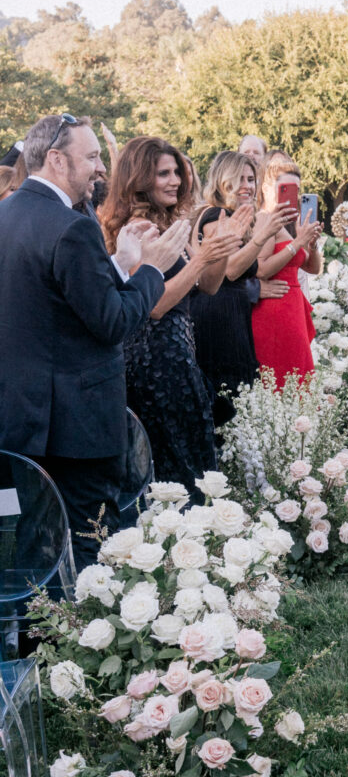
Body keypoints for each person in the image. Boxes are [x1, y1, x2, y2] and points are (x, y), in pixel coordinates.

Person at [0, 115, 188, 567]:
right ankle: (85, 635)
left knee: (31, 544)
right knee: (91, 544)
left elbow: (58, 304)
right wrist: (151, 271)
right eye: (93, 157)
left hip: (19, 420)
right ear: (57, 160)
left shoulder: (6, 214)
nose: (102, 168)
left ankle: (31, 638)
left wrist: (121, 266)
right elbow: (112, 322)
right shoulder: (72, 226)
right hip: (76, 428)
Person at [100, 137, 233, 492]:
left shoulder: (169, 222)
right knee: (176, 473)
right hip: (154, 363)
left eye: (176, 171)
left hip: (178, 355)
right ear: (140, 178)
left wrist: (219, 247)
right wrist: (202, 259)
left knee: (194, 463)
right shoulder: (139, 227)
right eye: (163, 173)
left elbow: (208, 285)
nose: (175, 179)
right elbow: (154, 305)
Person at [189, 152, 292, 427]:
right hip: (216, 312)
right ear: (223, 181)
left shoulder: (238, 216)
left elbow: (252, 268)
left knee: (240, 391)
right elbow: (230, 269)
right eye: (240, 179)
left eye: (251, 179)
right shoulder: (215, 216)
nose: (248, 186)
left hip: (233, 311)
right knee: (226, 391)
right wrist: (262, 236)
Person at [251, 152, 322, 385]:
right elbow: (261, 270)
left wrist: (311, 243)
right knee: (282, 377)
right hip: (274, 308)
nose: (292, 195)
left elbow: (312, 268)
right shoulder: (264, 220)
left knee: (300, 374)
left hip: (293, 307)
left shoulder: (290, 222)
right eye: (286, 188)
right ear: (266, 188)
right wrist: (297, 243)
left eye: (296, 189)